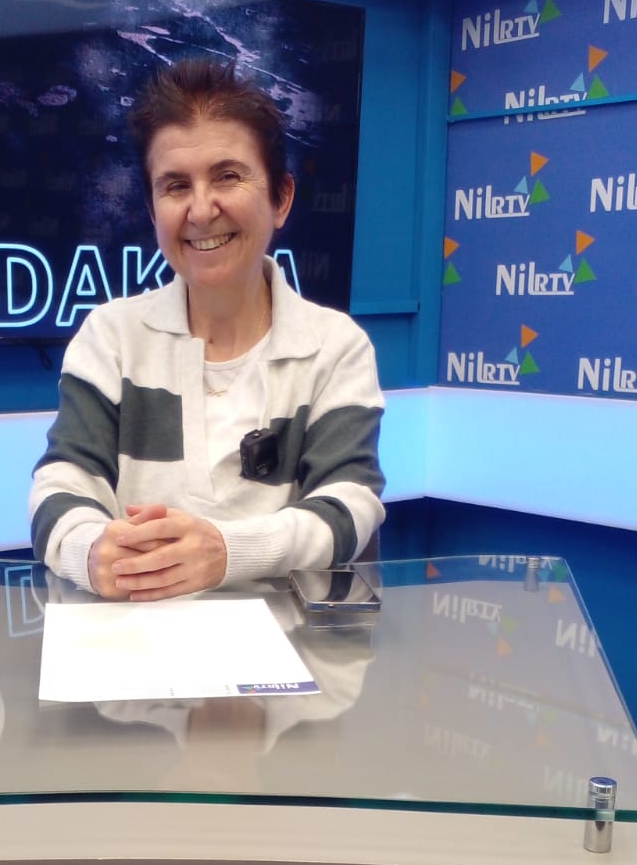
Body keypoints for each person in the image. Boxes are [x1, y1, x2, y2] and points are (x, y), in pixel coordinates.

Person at [29, 57, 385, 601]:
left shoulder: (336, 347)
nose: (200, 210)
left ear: (281, 198)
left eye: (227, 177)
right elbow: (60, 487)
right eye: (175, 186)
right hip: (135, 637)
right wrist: (94, 551)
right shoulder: (111, 336)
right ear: (153, 211)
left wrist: (225, 552)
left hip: (286, 645)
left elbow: (350, 506)